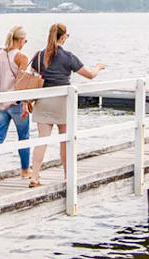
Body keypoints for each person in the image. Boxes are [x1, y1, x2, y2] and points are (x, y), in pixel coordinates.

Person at [28, 23, 104, 183]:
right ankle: (67, 175)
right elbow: (90, 75)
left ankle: (34, 175)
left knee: (42, 140)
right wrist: (98, 67)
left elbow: (34, 78)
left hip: (43, 102)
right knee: (65, 140)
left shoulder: (39, 56)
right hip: (62, 102)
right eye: (67, 35)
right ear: (63, 37)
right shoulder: (68, 57)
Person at [0, 25, 34, 181]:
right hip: (16, 103)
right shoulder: (21, 57)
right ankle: (24, 171)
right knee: (23, 137)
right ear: (21, 40)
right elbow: (21, 83)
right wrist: (25, 103)